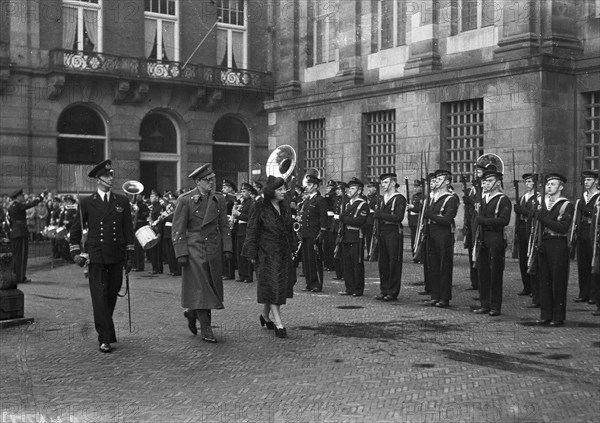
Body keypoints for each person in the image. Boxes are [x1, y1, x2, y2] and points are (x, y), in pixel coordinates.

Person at [69, 159, 135, 353]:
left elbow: (128, 230)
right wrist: (75, 253)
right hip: (96, 257)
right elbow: (74, 232)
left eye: (111, 175)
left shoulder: (121, 201)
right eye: (107, 176)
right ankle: (104, 338)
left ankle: (107, 332)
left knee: (110, 297)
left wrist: (130, 255)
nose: (110, 178)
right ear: (98, 179)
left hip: (116, 256)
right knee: (99, 298)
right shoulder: (87, 202)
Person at [172, 163, 233, 343]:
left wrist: (228, 247)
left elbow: (224, 225)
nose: (211, 183)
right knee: (202, 287)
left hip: (213, 247)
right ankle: (206, 328)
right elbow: (178, 228)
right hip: (194, 248)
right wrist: (181, 252)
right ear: (198, 182)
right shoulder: (185, 200)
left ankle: (192, 312)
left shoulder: (219, 200)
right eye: (207, 180)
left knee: (210, 286)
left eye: (212, 180)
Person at [242, 177, 296, 338]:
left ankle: (265, 316)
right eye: (280, 189)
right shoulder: (259, 206)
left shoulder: (284, 206)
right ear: (272, 191)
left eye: (284, 189)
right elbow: (252, 230)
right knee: (273, 285)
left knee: (280, 285)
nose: (283, 192)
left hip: (283, 252)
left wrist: (293, 247)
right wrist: (251, 252)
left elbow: (289, 229)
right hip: (266, 253)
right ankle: (279, 323)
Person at [534, 173, 574, 326]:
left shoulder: (565, 205)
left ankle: (558, 316)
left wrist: (542, 217)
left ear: (561, 187)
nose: (549, 187)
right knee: (544, 279)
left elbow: (563, 228)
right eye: (548, 185)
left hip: (558, 244)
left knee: (558, 280)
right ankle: (546, 314)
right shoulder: (542, 203)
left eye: (553, 185)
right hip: (545, 242)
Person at [472, 166, 511, 317]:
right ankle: (484, 304)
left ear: (497, 182)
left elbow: (504, 220)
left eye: (489, 181)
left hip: (495, 237)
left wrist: (483, 220)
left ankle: (495, 306)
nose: (486, 184)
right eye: (485, 181)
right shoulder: (483, 199)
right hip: (483, 237)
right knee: (483, 272)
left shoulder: (503, 199)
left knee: (495, 273)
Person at [422, 169, 459, 307]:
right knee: (433, 265)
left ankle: (444, 297)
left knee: (444, 266)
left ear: (447, 182)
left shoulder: (451, 198)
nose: (436, 182)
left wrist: (430, 215)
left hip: (443, 234)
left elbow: (447, 219)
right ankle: (434, 295)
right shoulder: (433, 197)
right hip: (432, 232)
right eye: (436, 179)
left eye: (439, 179)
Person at [373, 172, 406, 301]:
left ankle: (392, 291)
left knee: (394, 262)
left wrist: (380, 215)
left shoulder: (399, 198)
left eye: (385, 182)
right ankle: (384, 289)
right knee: (383, 262)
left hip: (393, 232)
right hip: (383, 231)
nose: (383, 185)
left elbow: (398, 217)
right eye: (382, 182)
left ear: (393, 183)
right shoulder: (383, 198)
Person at [338, 178, 369, 297]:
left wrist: (344, 218)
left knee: (357, 264)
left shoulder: (362, 204)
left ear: (359, 191)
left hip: (356, 237)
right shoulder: (347, 204)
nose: (350, 191)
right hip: (346, 236)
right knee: (347, 264)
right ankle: (349, 287)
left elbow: (359, 221)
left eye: (353, 188)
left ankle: (358, 288)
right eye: (350, 188)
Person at [513, 173, 540, 307]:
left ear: (535, 183)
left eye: (530, 182)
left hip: (531, 228)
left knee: (531, 258)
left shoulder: (538, 198)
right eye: (526, 182)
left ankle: (534, 287)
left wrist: (521, 210)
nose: (527, 184)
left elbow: (532, 214)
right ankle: (526, 286)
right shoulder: (523, 197)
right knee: (523, 258)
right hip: (522, 228)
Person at [298, 174, 328, 293]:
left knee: (315, 260)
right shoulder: (307, 200)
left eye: (310, 185)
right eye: (307, 184)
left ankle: (317, 283)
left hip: (314, 233)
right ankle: (309, 282)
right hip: (305, 233)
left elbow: (323, 217)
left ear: (316, 186)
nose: (307, 187)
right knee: (306, 260)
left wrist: (322, 232)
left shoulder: (320, 200)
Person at [7, 189, 43, 284]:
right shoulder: (18, 205)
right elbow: (29, 205)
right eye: (21, 196)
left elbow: (10, 222)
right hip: (21, 233)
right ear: (17, 197)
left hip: (14, 232)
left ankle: (15, 275)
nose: (23, 197)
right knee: (22, 256)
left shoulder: (11, 206)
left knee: (16, 255)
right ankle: (20, 277)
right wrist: (39, 198)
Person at [574, 170, 600, 304]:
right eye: (585, 180)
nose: (586, 182)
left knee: (593, 263)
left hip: (593, 231)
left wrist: (584, 209)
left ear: (596, 181)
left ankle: (594, 295)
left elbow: (596, 214)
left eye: (589, 180)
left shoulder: (598, 196)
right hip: (582, 230)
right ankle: (583, 293)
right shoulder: (583, 196)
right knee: (582, 263)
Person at [233, 182, 256, 283]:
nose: (242, 193)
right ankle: (242, 275)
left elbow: (250, 218)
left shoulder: (251, 203)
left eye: (244, 191)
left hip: (246, 230)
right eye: (241, 191)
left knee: (246, 254)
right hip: (240, 230)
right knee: (239, 254)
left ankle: (248, 275)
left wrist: (238, 214)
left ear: (249, 192)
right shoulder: (243, 203)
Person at [222, 179, 237, 280]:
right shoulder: (223, 198)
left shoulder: (234, 198)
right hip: (223, 223)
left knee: (229, 248)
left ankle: (229, 272)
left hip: (231, 223)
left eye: (225, 187)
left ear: (231, 188)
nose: (223, 189)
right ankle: (225, 271)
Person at [407, 179, 423, 263]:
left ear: (421, 187)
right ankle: (414, 255)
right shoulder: (414, 196)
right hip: (412, 220)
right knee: (413, 239)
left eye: (417, 186)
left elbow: (420, 209)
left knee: (418, 238)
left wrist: (412, 207)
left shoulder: (423, 197)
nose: (415, 188)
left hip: (418, 219)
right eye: (415, 186)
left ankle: (419, 256)